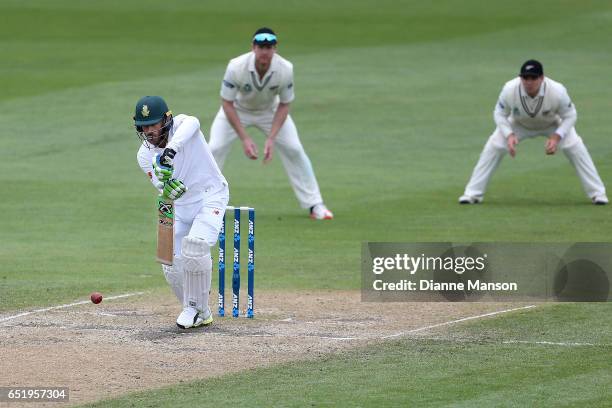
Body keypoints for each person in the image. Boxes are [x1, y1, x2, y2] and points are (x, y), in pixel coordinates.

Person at [208, 27, 333, 220]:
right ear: (253, 47)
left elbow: (284, 104)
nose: (265, 51)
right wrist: (245, 138)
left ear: (275, 49)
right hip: (237, 110)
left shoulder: (285, 69)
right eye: (261, 47)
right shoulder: (236, 66)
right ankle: (202, 202)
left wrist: (271, 139)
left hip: (270, 111)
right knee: (214, 148)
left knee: (294, 149)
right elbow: (227, 103)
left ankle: (315, 204)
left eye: (269, 47)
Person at [134, 95, 229, 329]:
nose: (149, 131)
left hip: (210, 195)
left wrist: (171, 151)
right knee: (169, 260)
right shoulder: (144, 155)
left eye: (153, 124)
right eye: (144, 126)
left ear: (167, 120)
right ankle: (199, 310)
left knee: (195, 246)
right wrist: (167, 186)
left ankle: (194, 309)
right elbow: (161, 185)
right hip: (179, 205)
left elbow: (194, 121)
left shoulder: (185, 125)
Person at [459, 59, 607, 205]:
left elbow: (570, 116)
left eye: (533, 78)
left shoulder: (557, 91)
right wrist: (509, 135)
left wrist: (556, 137)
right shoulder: (509, 89)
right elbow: (499, 113)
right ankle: (472, 194)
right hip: (519, 123)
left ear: (542, 78)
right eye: (525, 78)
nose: (529, 82)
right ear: (520, 78)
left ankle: (598, 194)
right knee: (495, 145)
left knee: (574, 146)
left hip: (551, 123)